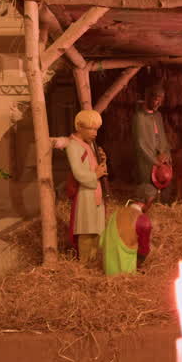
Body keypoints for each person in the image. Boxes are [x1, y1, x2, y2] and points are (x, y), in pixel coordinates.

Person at [66, 110, 106, 264]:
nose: (95, 133)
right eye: (91, 129)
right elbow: (79, 173)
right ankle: (84, 264)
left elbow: (95, 166)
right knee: (86, 229)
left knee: (97, 230)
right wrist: (95, 174)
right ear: (80, 127)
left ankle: (95, 261)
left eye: (96, 129)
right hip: (85, 193)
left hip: (96, 191)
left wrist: (102, 161)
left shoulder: (90, 144)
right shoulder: (73, 145)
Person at [132, 84, 173, 203]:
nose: (158, 104)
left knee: (166, 181)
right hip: (147, 160)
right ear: (147, 97)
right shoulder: (139, 118)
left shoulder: (158, 116)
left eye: (160, 101)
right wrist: (155, 161)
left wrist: (165, 154)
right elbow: (141, 144)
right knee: (149, 190)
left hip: (160, 158)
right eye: (155, 100)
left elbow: (163, 138)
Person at [100, 198, 153, 275]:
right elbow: (144, 250)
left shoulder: (115, 213)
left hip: (108, 271)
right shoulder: (143, 219)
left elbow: (101, 242)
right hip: (126, 276)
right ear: (147, 202)